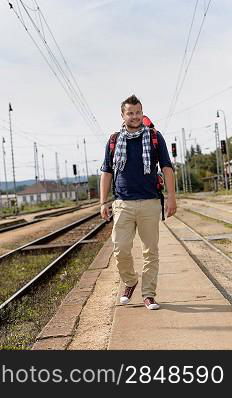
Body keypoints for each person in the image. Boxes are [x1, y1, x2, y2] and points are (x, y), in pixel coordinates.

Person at [100, 94, 176, 310]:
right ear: (123, 115)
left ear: (142, 113)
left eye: (138, 112)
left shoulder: (154, 136)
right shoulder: (114, 140)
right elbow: (106, 172)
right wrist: (103, 202)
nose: (135, 117)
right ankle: (131, 281)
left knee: (150, 251)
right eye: (130, 113)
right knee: (120, 249)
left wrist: (171, 197)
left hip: (150, 202)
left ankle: (149, 294)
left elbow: (167, 168)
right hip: (122, 203)